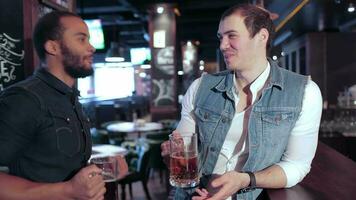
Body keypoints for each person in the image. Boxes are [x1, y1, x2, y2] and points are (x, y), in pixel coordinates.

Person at [161, 3, 322, 200]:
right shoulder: (200, 87)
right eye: (221, 38)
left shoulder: (304, 92)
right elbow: (184, 151)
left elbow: (297, 165)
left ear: (262, 37)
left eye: (232, 35)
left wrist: (245, 179)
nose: (222, 45)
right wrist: (171, 156)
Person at [0, 11, 128, 200]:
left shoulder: (70, 97)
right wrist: (66, 191)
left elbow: (60, 166)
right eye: (81, 39)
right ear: (53, 47)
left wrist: (104, 169)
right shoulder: (24, 98)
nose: (92, 47)